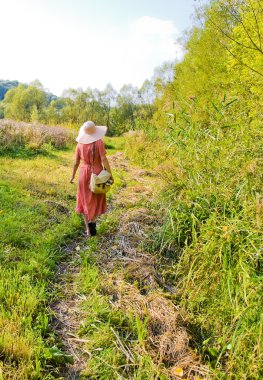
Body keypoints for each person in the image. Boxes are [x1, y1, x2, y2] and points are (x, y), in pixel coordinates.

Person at [70, 121, 114, 237]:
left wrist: (73, 175)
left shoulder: (79, 145)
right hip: (97, 173)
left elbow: (76, 162)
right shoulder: (99, 142)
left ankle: (88, 230)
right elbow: (104, 159)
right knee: (94, 198)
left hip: (83, 173)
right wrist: (110, 174)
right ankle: (93, 223)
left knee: (85, 200)